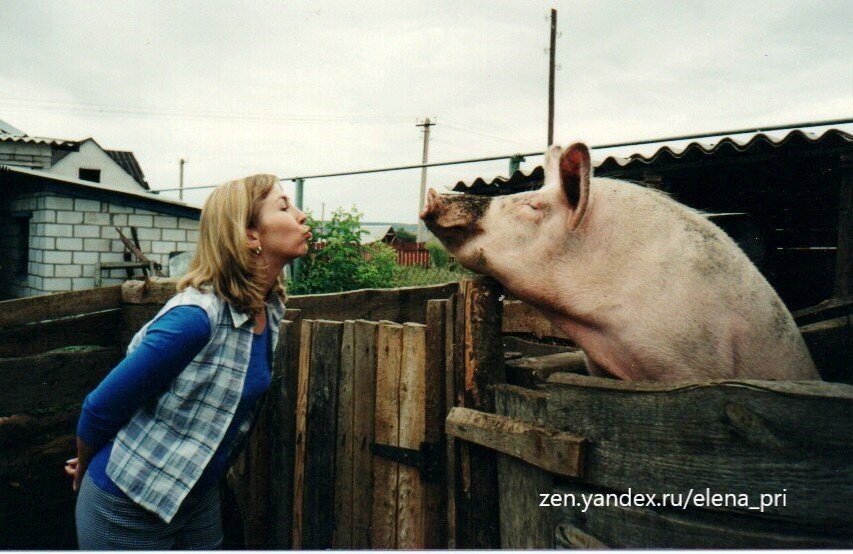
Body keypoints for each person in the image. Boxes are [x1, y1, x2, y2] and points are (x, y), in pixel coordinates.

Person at [65, 174, 310, 549]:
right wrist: (84, 467)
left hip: (197, 502)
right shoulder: (195, 319)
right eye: (283, 206)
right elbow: (100, 406)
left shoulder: (270, 308)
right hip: (126, 507)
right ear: (249, 236)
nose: (301, 215)